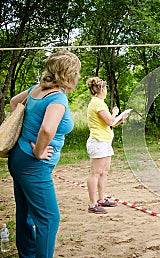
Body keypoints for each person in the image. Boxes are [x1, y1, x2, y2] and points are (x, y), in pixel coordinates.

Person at [7, 50, 81, 257]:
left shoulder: (36, 90)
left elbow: (14, 102)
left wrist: (23, 136)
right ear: (69, 74)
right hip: (33, 165)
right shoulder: (57, 98)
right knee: (49, 219)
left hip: (18, 158)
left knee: (26, 213)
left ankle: (27, 255)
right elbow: (47, 129)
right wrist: (39, 151)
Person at [86, 77, 128, 214]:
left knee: (104, 172)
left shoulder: (99, 103)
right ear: (101, 89)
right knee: (95, 173)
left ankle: (101, 199)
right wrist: (115, 113)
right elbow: (110, 120)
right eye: (105, 89)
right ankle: (92, 204)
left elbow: (111, 124)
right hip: (98, 142)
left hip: (104, 142)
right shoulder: (97, 104)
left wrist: (121, 118)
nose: (106, 91)